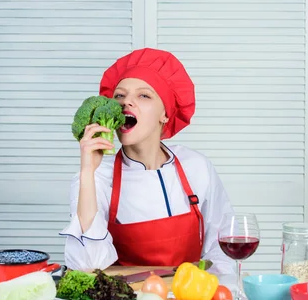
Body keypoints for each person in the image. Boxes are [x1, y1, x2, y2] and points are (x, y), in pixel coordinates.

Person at [59, 48, 235, 275]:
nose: (126, 103)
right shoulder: (97, 176)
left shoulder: (197, 167)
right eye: (119, 95)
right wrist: (87, 173)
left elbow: (221, 251)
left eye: (144, 95)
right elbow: (86, 266)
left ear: (166, 113)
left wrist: (216, 297)